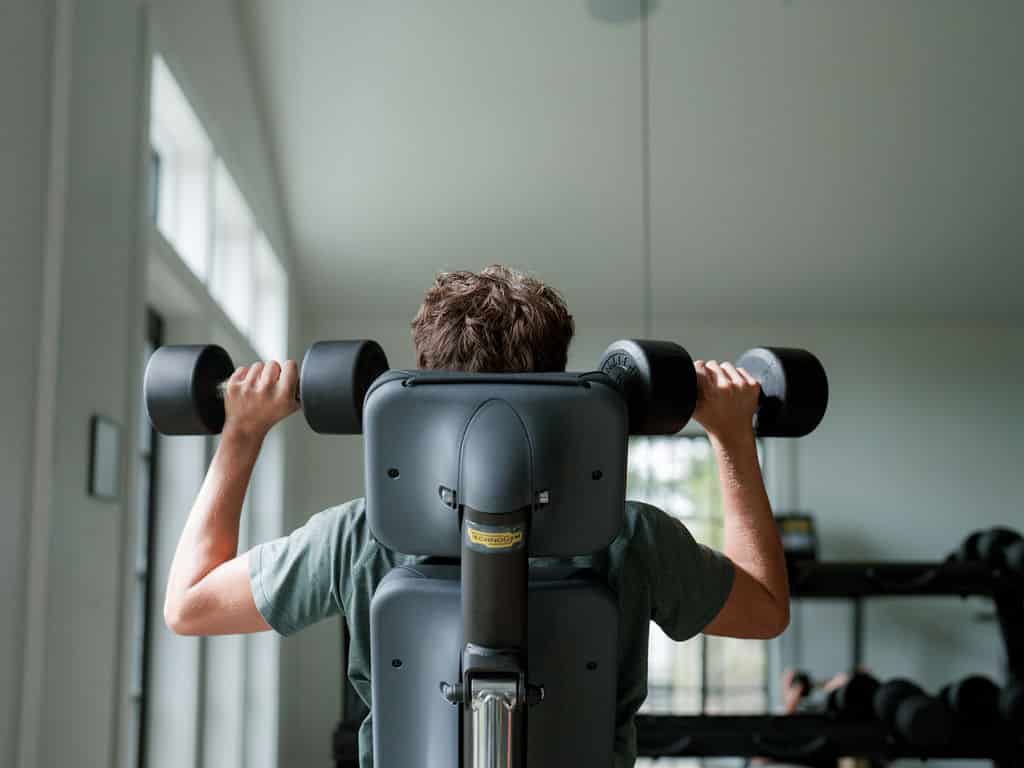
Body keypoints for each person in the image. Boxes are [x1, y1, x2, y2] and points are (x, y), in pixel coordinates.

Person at [162, 265, 790, 767]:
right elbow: (765, 610)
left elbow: (189, 606)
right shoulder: (630, 535)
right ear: (557, 387)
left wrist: (241, 434)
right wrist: (732, 437)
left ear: (427, 388)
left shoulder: (361, 534)